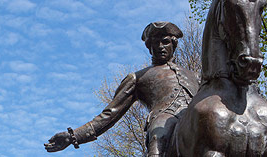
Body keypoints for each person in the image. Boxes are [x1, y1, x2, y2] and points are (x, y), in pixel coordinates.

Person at [44, 21, 200, 156]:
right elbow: (110, 114)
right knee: (158, 136)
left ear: (174, 44)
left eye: (165, 42)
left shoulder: (195, 76)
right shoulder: (138, 78)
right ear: (149, 47)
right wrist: (74, 136)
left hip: (197, 115)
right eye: (155, 43)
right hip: (163, 119)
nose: (160, 47)